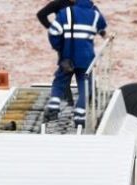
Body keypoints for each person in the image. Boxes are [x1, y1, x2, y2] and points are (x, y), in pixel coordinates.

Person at [43, 0, 107, 128]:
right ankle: (80, 115)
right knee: (85, 85)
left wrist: (60, 48)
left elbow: (53, 33)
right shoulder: (95, 14)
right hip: (86, 58)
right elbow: (102, 27)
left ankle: (54, 107)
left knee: (60, 81)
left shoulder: (65, 12)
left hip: (68, 56)